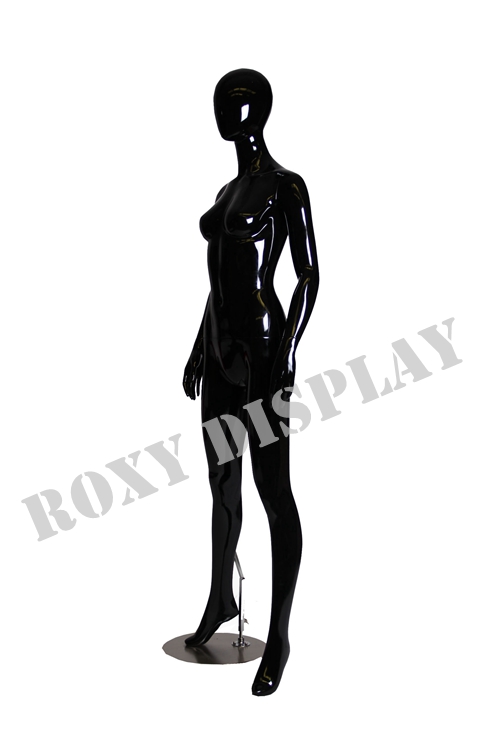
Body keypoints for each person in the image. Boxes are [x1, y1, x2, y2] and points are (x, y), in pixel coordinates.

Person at [182, 68, 319, 696]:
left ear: (259, 110)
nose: (224, 112)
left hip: (263, 352)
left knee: (271, 486)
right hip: (220, 353)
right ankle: (220, 599)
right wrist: (197, 349)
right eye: (219, 101)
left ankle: (279, 637)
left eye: (235, 102)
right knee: (221, 482)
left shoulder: (285, 186)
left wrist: (288, 350)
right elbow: (218, 283)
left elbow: (308, 275)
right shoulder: (225, 190)